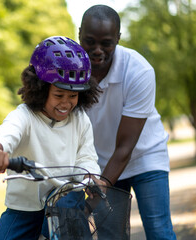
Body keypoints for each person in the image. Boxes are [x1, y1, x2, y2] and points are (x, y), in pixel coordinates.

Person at [0, 36, 105, 240]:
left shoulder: (80, 119)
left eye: (73, 96)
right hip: (25, 208)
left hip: (65, 203)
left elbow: (86, 157)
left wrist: (90, 176)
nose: (66, 103)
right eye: (58, 95)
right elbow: (7, 133)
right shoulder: (25, 116)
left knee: (73, 229)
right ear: (40, 88)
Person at [78, 4, 176, 239]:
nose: (97, 50)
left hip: (145, 158)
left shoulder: (138, 70)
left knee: (159, 232)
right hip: (102, 163)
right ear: (79, 33)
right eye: (89, 41)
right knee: (111, 236)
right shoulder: (72, 70)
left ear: (118, 38)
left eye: (107, 43)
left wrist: (101, 185)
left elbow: (125, 147)